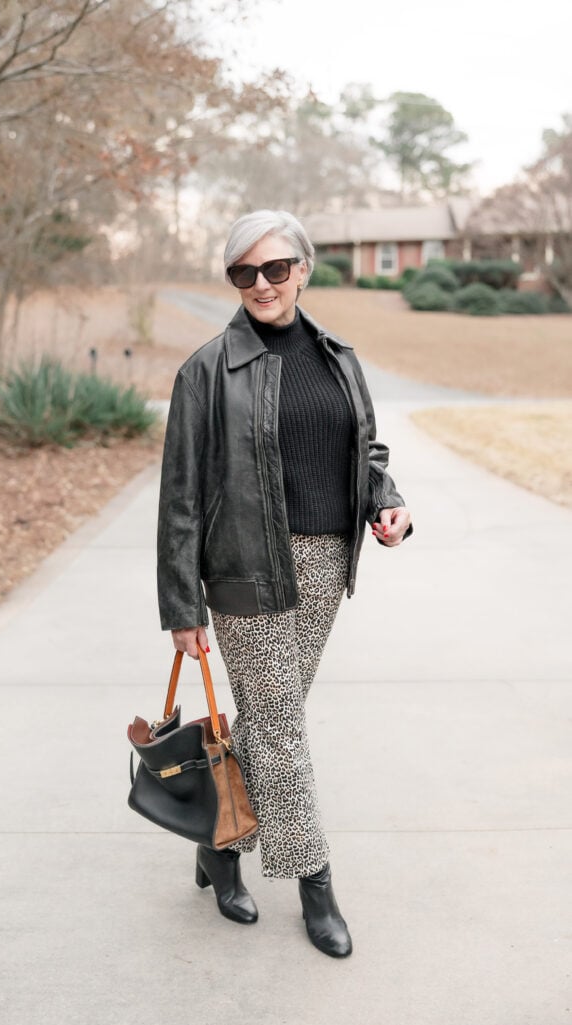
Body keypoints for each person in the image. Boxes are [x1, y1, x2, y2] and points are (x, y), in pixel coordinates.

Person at [157, 209, 412, 958]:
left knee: (272, 720)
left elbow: (366, 450)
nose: (261, 284)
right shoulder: (207, 370)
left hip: (327, 563)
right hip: (245, 569)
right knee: (281, 729)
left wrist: (386, 500)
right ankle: (315, 884)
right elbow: (179, 495)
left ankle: (216, 842)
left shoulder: (337, 354)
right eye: (244, 272)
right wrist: (182, 603)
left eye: (275, 268)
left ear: (303, 268)